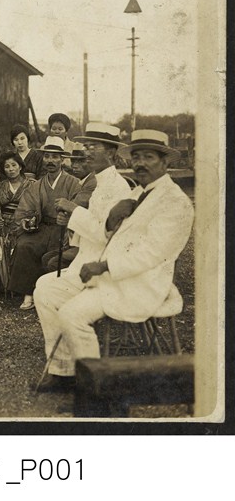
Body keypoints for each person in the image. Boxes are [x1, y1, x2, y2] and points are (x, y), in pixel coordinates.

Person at [33, 129, 193, 393]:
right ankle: (65, 371)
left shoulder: (176, 201)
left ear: (165, 162)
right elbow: (111, 234)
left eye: (149, 157)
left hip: (142, 284)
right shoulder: (138, 193)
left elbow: (153, 253)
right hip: (114, 276)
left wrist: (103, 265)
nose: (140, 163)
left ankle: (96, 390)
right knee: (46, 291)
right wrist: (109, 219)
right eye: (137, 157)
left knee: (72, 314)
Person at [8, 136, 82, 310]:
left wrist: (68, 219)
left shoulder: (73, 183)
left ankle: (53, 296)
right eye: (47, 156)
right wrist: (27, 221)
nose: (50, 160)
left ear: (62, 160)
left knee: (56, 252)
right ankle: (28, 293)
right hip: (42, 227)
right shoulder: (38, 184)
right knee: (25, 245)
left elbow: (79, 207)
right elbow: (26, 208)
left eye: (55, 157)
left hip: (64, 228)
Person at [40, 143, 96, 272]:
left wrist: (65, 211)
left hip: (86, 243)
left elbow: (74, 206)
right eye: (73, 161)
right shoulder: (83, 181)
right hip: (76, 238)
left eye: (81, 161)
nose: (75, 166)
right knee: (47, 257)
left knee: (52, 262)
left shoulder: (91, 183)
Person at [0, 150, 36, 282]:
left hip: (24, 225)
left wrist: (28, 221)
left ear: (20, 166)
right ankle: (2, 284)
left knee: (22, 247)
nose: (11, 169)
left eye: (14, 165)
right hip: (4, 225)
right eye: (7, 166)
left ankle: (19, 283)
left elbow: (37, 206)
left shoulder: (32, 185)